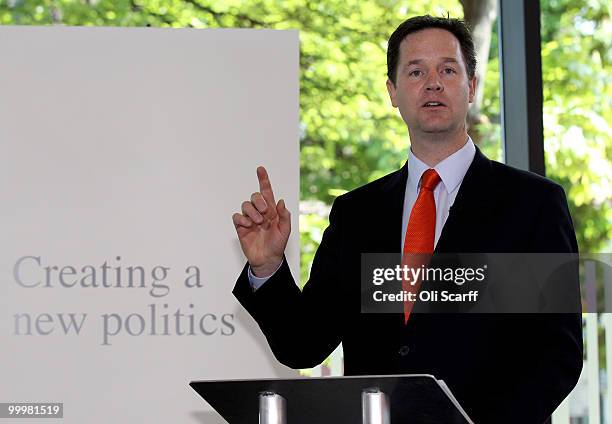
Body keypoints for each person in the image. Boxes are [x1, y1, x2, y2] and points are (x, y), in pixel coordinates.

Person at [231, 15, 582, 423]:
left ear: (472, 86)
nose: (433, 82)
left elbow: (559, 352)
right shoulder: (356, 214)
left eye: (448, 70)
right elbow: (304, 345)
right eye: (416, 71)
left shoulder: (533, 204)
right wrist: (268, 266)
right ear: (393, 92)